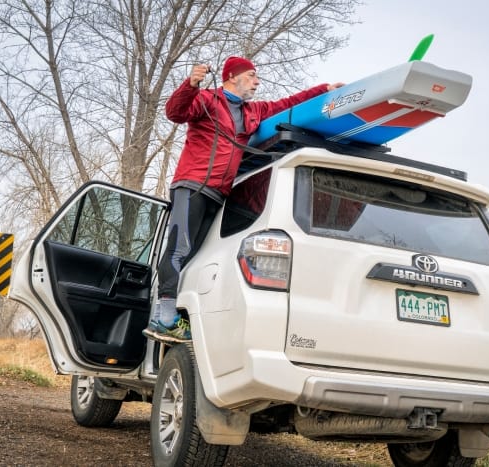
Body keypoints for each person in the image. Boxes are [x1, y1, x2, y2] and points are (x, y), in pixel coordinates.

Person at [144, 56, 344, 339]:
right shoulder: (206, 100)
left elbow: (286, 104)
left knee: (193, 255)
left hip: (218, 193)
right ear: (231, 77)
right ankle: (163, 318)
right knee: (178, 248)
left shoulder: (253, 111)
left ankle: (177, 314)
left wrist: (323, 89)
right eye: (251, 75)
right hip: (192, 186)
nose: (257, 81)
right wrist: (190, 84)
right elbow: (175, 112)